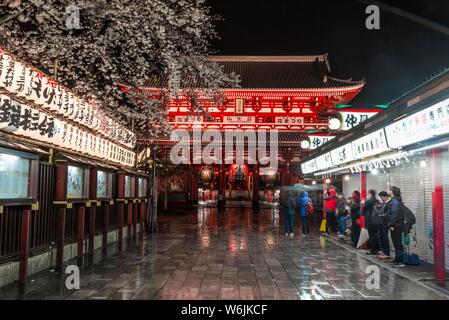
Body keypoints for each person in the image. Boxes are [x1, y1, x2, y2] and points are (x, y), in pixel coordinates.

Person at [388, 186, 405, 267]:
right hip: (397, 225)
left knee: (397, 243)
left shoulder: (395, 202)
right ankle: (397, 259)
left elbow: (394, 214)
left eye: (389, 190)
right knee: (396, 243)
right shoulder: (396, 200)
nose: (388, 191)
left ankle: (400, 261)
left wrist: (391, 224)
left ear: (392, 191)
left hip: (396, 226)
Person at [362, 189, 380, 255]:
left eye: (368, 193)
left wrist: (363, 204)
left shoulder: (369, 201)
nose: (367, 195)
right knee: (375, 235)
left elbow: (364, 209)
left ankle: (373, 250)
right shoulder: (377, 200)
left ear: (370, 193)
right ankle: (377, 249)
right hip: (376, 221)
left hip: (370, 220)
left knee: (372, 235)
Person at [377, 191, 391, 259]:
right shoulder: (384, 203)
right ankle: (384, 252)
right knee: (382, 237)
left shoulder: (388, 204)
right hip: (382, 222)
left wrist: (382, 215)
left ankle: (386, 253)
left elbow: (388, 214)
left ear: (386, 196)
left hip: (385, 223)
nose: (381, 199)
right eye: (380, 197)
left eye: (382, 197)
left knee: (385, 238)